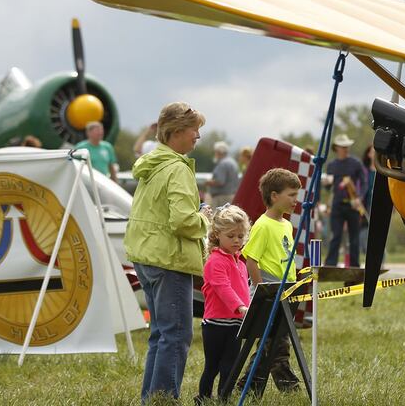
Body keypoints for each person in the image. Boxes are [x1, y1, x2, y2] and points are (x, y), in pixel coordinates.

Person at [123, 102, 212, 403]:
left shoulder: (152, 163)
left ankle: (152, 397)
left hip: (146, 255)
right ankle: (164, 399)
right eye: (194, 130)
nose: (197, 136)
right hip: (169, 259)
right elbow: (183, 221)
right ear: (176, 132)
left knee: (160, 333)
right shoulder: (177, 168)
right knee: (176, 335)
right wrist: (205, 218)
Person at [238, 168, 301, 393]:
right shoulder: (263, 225)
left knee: (277, 342)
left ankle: (257, 388)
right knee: (271, 344)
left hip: (287, 289)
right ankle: (250, 388)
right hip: (269, 291)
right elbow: (250, 260)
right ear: (274, 196)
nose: (296, 200)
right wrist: (261, 289)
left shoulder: (286, 224)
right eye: (291, 195)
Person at [195, 205, 251, 405]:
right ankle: (203, 398)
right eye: (231, 236)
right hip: (216, 324)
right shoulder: (215, 262)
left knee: (230, 365)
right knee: (212, 366)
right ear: (217, 235)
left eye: (240, 235)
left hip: (236, 323)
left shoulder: (241, 263)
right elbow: (223, 288)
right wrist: (241, 307)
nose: (237, 240)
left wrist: (248, 306)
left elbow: (244, 290)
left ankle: (224, 399)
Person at [324, 134, 366, 268]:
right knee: (336, 235)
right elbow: (328, 187)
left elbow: (364, 182)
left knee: (354, 237)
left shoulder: (356, 163)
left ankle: (354, 265)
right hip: (337, 204)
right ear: (336, 148)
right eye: (343, 147)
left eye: (347, 146)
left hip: (353, 204)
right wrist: (325, 183)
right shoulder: (331, 165)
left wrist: (359, 197)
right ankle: (331, 264)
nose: (346, 149)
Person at [206, 141, 240, 208]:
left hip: (221, 198)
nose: (215, 154)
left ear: (219, 152)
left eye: (216, 152)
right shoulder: (232, 162)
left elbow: (220, 181)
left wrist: (208, 182)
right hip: (231, 196)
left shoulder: (223, 164)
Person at [359, 145, 376, 255]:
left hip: (378, 207)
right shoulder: (364, 171)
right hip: (365, 207)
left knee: (377, 234)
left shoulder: (385, 171)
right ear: (369, 154)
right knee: (364, 234)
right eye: (373, 151)